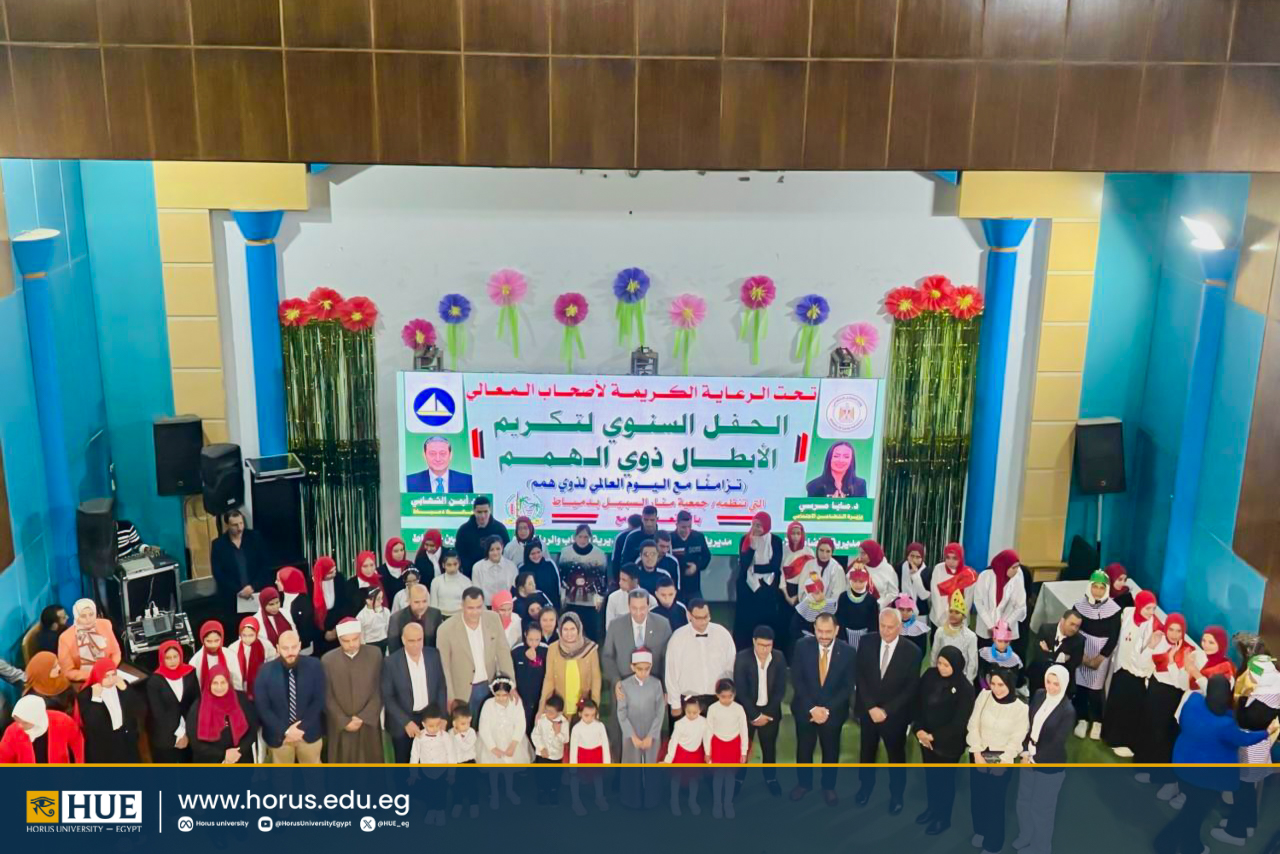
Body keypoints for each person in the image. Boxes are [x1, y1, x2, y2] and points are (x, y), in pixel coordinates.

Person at [1156, 676, 1278, 854]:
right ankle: (1177, 845)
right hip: (1207, 778)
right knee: (1195, 814)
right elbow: (1244, 739)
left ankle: (1183, 845)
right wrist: (1267, 731)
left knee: (1191, 809)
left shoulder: (1193, 701)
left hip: (1183, 765)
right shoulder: (1225, 725)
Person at [854, 608, 922, 812]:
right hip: (868, 713)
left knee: (896, 757)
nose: (885, 631)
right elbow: (860, 676)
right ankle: (865, 788)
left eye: (890, 627)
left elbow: (911, 688)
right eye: (882, 626)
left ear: (900, 627)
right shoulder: (866, 642)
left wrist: (886, 711)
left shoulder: (912, 652)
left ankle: (896, 795)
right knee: (867, 752)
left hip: (895, 717)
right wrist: (870, 707)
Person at [790, 612, 855, 805]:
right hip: (805, 710)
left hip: (833, 713)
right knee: (804, 749)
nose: (824, 636)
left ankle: (828, 787)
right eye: (820, 631)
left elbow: (847, 686)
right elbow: (797, 679)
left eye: (828, 632)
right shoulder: (802, 646)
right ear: (814, 629)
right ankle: (804, 784)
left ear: (837, 630)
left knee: (831, 751)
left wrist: (826, 710)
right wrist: (812, 708)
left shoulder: (848, 652)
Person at [1214, 665, 1280, 846]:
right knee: (1248, 789)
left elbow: (1244, 720)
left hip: (1250, 750)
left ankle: (1236, 832)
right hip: (1259, 750)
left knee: (1242, 791)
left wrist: (1242, 698)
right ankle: (1248, 823)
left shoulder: (1261, 703)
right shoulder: (1274, 695)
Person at [1012, 665, 1075, 854]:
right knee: (1023, 801)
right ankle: (1026, 835)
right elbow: (1028, 725)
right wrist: (1024, 750)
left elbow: (1057, 743)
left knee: (1041, 810)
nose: (1051, 687)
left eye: (1056, 684)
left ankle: (1041, 848)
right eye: (1049, 681)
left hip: (1048, 767)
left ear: (1064, 685)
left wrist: (1032, 760)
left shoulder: (1067, 711)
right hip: (1028, 756)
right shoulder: (1039, 695)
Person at [913, 646, 974, 835]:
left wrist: (933, 737)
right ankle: (932, 809)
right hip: (925, 740)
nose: (941, 668)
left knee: (945, 783)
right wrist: (919, 730)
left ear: (956, 665)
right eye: (940, 663)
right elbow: (918, 702)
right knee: (931, 778)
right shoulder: (930, 676)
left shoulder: (965, 689)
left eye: (946, 665)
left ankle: (943, 818)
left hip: (948, 745)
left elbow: (959, 722)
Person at [967, 668, 1027, 854]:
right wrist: (977, 753)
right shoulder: (984, 696)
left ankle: (993, 844)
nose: (996, 689)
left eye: (1001, 684)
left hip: (1001, 758)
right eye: (993, 684)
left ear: (1010, 684)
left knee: (994, 802)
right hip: (979, 753)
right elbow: (973, 724)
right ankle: (980, 830)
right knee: (977, 796)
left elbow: (1017, 739)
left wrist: (1003, 762)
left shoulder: (1021, 709)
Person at [1134, 613, 1201, 774]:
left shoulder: (1188, 652)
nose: (1174, 634)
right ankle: (1142, 764)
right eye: (1171, 629)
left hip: (1172, 696)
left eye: (1178, 631)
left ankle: (1156, 772)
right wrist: (1151, 645)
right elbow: (1141, 665)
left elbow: (1181, 683)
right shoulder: (1158, 641)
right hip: (1154, 690)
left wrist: (1171, 661)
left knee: (1162, 733)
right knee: (1148, 726)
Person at [436, 586, 515, 716]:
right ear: (462, 606)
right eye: (470, 608)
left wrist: (511, 684)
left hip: (489, 687)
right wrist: (450, 696)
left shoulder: (493, 619)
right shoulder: (445, 629)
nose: (475, 612)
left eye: (478, 607)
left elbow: (503, 653)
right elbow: (444, 666)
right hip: (462, 692)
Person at [1102, 590, 1160, 757]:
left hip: (1137, 674)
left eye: (1154, 608)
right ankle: (1110, 736)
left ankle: (1125, 741)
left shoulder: (1153, 626)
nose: (1151, 612)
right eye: (1148, 608)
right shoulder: (1127, 613)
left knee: (1130, 708)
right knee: (1116, 702)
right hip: (1121, 667)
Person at [254, 630, 324, 763]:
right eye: (285, 648)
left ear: (300, 645)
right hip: (279, 737)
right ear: (277, 648)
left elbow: (319, 700)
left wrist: (300, 729)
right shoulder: (264, 671)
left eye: (294, 647)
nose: (290, 652)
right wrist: (286, 731)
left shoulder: (315, 665)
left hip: (308, 733)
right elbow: (263, 707)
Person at [732, 625, 787, 797]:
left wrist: (766, 715)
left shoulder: (779, 658)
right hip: (747, 713)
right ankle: (738, 779)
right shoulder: (742, 658)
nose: (764, 649)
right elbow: (741, 690)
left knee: (769, 748)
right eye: (761, 645)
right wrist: (755, 715)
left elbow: (780, 689)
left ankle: (770, 778)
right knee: (743, 749)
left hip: (770, 714)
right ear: (754, 642)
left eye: (768, 645)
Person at [382, 621, 447, 764]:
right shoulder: (391, 662)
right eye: (411, 641)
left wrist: (442, 716)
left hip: (430, 718)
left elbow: (441, 686)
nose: (416, 645)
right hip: (402, 722)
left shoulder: (433, 655)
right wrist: (406, 722)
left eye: (419, 640)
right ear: (403, 640)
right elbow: (387, 697)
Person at [322, 617, 384, 762]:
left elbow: (380, 689)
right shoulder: (328, 660)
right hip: (341, 725)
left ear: (360, 636)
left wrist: (364, 717)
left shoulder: (375, 654)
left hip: (368, 723)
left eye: (355, 639)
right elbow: (327, 696)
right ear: (339, 640)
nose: (351, 644)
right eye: (346, 641)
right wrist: (343, 721)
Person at [1072, 569, 1122, 739]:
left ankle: (1097, 721)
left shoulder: (1114, 610)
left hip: (1101, 654)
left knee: (1095, 690)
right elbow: (1073, 629)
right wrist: (1082, 655)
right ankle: (1082, 719)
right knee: (1080, 687)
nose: (1098, 591)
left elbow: (1114, 637)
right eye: (1095, 587)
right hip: (1082, 650)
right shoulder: (1079, 606)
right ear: (1089, 587)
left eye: (1102, 588)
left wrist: (1099, 658)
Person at [667, 600, 736, 716]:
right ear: (689, 615)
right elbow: (671, 673)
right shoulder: (678, 638)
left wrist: (728, 695)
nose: (703, 622)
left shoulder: (722, 634)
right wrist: (675, 704)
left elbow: (731, 667)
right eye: (699, 618)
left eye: (706, 617)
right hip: (689, 699)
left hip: (717, 698)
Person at [618, 648, 666, 809]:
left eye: (647, 669)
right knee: (631, 765)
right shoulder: (625, 685)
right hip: (631, 732)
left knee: (652, 765)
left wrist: (651, 735)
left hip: (651, 731)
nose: (643, 673)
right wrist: (632, 736)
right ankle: (631, 800)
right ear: (632, 667)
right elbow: (622, 713)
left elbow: (660, 711)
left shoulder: (656, 684)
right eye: (640, 669)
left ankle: (652, 799)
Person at [210, 509, 273, 622]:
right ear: (227, 525)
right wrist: (239, 590)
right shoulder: (218, 545)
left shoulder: (255, 538)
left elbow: (264, 565)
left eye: (241, 523)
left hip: (256, 594)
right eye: (235, 525)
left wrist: (252, 586)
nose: (240, 528)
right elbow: (218, 574)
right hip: (232, 600)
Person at [478, 674, 531, 807]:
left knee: (509, 767)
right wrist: (492, 747)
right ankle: (494, 793)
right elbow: (483, 727)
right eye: (498, 695)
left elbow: (521, 724)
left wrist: (514, 744)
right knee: (493, 769)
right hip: (494, 741)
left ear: (509, 693)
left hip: (510, 740)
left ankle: (509, 790)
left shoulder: (516, 703)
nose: (501, 698)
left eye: (504, 695)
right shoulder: (488, 705)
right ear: (493, 693)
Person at [187, 666, 258, 764]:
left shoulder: (241, 699)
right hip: (211, 761)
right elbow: (195, 741)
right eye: (215, 683)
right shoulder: (198, 706)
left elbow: (253, 728)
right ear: (209, 684)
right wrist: (223, 755)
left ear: (229, 682)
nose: (219, 687)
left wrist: (239, 751)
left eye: (223, 682)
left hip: (241, 757)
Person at [734, 511, 784, 650]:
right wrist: (752, 547)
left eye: (759, 525)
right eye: (754, 525)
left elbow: (774, 565)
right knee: (747, 623)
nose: (756, 528)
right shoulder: (745, 540)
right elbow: (744, 564)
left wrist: (755, 568)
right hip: (748, 588)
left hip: (768, 587)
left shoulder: (775, 541)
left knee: (767, 621)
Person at [77, 659, 143, 763]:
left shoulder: (121, 685)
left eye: (113, 675)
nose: (111, 679)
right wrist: (96, 699)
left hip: (125, 739)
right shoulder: (86, 695)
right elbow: (91, 723)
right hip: (104, 745)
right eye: (106, 676)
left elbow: (138, 709)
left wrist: (126, 690)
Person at [541, 612, 601, 720]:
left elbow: (596, 679)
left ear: (579, 629)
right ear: (560, 631)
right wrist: (541, 709)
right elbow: (549, 679)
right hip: (560, 708)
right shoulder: (553, 649)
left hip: (583, 709)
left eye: (572, 629)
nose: (569, 633)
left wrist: (594, 708)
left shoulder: (590, 649)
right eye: (565, 629)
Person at [146, 639, 197, 763]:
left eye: (175, 656)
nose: (173, 661)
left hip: (191, 730)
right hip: (167, 737)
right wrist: (180, 734)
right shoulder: (154, 682)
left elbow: (196, 702)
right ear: (162, 659)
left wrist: (187, 731)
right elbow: (158, 713)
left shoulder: (190, 673)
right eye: (168, 658)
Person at [705, 677, 749, 817]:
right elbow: (708, 731)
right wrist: (707, 751)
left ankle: (728, 803)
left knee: (730, 776)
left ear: (734, 694)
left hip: (733, 745)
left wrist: (744, 751)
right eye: (723, 696)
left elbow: (744, 730)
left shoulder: (739, 709)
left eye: (730, 696)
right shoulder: (712, 709)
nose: (727, 700)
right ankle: (717, 804)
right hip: (718, 745)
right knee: (718, 776)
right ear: (717, 695)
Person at [559, 523, 608, 641]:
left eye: (586, 537)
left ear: (590, 538)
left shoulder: (599, 554)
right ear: (575, 537)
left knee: (592, 636)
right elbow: (561, 577)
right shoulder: (565, 553)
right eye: (580, 537)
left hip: (591, 605)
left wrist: (600, 597)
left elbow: (603, 579)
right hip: (571, 603)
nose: (583, 540)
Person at [0, 695, 83, 763]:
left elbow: (79, 749)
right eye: (17, 721)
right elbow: (3, 758)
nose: (20, 726)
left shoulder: (63, 722)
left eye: (25, 723)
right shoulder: (13, 731)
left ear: (36, 719)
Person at [408, 704, 456, 823]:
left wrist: (451, 773)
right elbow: (415, 755)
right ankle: (431, 809)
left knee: (441, 791)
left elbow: (451, 754)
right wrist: (413, 773)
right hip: (426, 771)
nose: (435, 728)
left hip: (442, 770)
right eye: (431, 726)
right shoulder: (419, 737)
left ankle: (440, 811)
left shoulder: (445, 737)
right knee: (429, 791)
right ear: (424, 724)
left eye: (437, 725)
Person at [58, 599, 121, 685]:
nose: (88, 619)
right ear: (77, 616)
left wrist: (109, 670)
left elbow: (116, 653)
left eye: (91, 614)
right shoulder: (65, 638)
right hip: (85, 681)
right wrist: (95, 676)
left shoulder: (105, 624)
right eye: (83, 616)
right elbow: (67, 671)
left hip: (110, 675)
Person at [793, 537, 843, 640]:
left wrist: (823, 604)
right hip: (809, 608)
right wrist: (813, 602)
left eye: (828, 551)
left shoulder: (837, 568)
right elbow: (802, 589)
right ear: (817, 550)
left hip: (828, 611)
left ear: (832, 552)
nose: (824, 554)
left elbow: (838, 593)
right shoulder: (809, 565)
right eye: (821, 550)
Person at [973, 549, 1027, 644]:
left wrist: (1005, 625)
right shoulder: (985, 576)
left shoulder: (1018, 574)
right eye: (1013, 568)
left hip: (1007, 628)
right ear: (1004, 566)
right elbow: (978, 602)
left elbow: (1020, 605)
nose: (1016, 570)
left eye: (1018, 566)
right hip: (986, 626)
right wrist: (990, 625)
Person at [1026, 608, 1085, 696]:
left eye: (1077, 626)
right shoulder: (1045, 629)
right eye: (1072, 624)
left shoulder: (1079, 640)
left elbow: (1074, 663)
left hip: (1060, 683)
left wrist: (1048, 653)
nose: (1074, 629)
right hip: (1039, 676)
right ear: (1062, 620)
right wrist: (1060, 658)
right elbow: (1038, 655)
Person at [665, 695, 707, 814]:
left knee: (694, 779)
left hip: (695, 755)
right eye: (688, 712)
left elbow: (706, 739)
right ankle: (674, 801)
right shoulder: (680, 724)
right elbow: (673, 741)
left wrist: (708, 754)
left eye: (695, 712)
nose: (691, 715)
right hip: (681, 754)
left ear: (700, 710)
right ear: (684, 710)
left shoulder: (704, 722)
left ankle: (692, 801)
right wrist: (668, 759)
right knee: (676, 778)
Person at [568, 700, 610, 815]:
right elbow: (573, 748)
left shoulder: (600, 726)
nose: (590, 718)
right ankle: (576, 801)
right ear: (580, 714)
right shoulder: (576, 728)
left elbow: (605, 744)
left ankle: (599, 797)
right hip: (582, 756)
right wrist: (573, 766)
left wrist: (607, 762)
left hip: (596, 755)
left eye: (593, 715)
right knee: (576, 778)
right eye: (586, 715)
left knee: (598, 777)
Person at [454, 496, 509, 576]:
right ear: (474, 511)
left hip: (497, 574)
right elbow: (460, 554)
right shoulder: (464, 531)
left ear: (490, 510)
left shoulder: (500, 529)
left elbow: (506, 552)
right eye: (479, 512)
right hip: (471, 574)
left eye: (485, 512)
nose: (483, 516)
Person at [931, 590, 979, 683]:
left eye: (957, 612)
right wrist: (934, 675)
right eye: (951, 611)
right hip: (942, 674)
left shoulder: (971, 636)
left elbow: (972, 662)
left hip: (961, 676)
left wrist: (968, 682)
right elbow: (934, 654)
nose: (953, 615)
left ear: (963, 616)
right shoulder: (940, 632)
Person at [531, 694, 569, 804]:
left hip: (556, 756)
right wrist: (541, 748)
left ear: (559, 712)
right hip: (542, 754)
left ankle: (553, 793)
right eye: (546, 710)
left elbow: (565, 740)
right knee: (541, 774)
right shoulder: (542, 720)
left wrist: (558, 733)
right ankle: (542, 792)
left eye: (551, 712)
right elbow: (535, 735)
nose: (547, 714)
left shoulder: (564, 723)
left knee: (555, 775)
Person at [929, 543, 977, 627]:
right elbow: (935, 594)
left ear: (961, 558)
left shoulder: (968, 574)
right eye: (947, 557)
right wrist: (942, 619)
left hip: (960, 620)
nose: (950, 561)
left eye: (955, 558)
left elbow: (968, 600)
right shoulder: (938, 569)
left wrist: (957, 618)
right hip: (938, 617)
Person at [388, 581, 445, 653]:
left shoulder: (435, 614)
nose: (421, 606)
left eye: (424, 601)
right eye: (417, 602)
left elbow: (439, 645)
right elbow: (394, 651)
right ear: (409, 600)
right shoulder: (396, 619)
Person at [226, 615, 275, 699]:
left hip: (261, 684)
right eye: (244, 635)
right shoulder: (233, 648)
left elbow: (272, 662)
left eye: (251, 635)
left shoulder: (266, 645)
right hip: (240, 685)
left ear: (257, 633)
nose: (247, 639)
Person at [406, 435, 473, 493]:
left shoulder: (468, 482)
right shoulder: (410, 482)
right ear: (424, 455)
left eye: (442, 453)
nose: (438, 459)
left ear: (450, 455)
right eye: (432, 453)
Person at [835, 565, 880, 652]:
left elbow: (873, 623)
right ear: (850, 581)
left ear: (866, 582)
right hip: (845, 637)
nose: (858, 584)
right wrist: (842, 638)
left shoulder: (871, 599)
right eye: (855, 581)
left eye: (861, 581)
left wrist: (870, 640)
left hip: (865, 637)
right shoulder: (843, 597)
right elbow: (840, 619)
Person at [310, 556, 349, 655]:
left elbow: (345, 604)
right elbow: (310, 615)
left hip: (338, 624)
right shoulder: (310, 585)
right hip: (321, 630)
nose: (334, 573)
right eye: (330, 572)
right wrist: (323, 634)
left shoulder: (339, 578)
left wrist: (337, 629)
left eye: (334, 570)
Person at [512, 623, 547, 733]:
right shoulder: (516, 651)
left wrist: (536, 659)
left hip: (539, 696)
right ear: (525, 635)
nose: (533, 643)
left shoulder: (546, 650)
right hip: (521, 696)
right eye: (530, 639)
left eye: (537, 640)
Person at [671, 510, 711, 602]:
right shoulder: (670, 539)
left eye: (689, 527)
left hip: (694, 587)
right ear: (677, 525)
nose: (687, 530)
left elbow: (706, 557)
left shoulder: (698, 537)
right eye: (683, 527)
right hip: (675, 586)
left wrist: (696, 567)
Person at [449, 703, 481, 817]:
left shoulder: (471, 733)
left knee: (471, 785)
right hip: (456, 763)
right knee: (457, 786)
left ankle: (474, 804)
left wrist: (458, 736)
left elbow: (466, 747)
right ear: (454, 723)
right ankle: (457, 804)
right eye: (463, 723)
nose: (466, 726)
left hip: (469, 762)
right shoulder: (450, 733)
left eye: (468, 723)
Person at [275, 566, 314, 650]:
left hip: (301, 648)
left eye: (278, 580)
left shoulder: (303, 604)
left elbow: (305, 633)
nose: (275, 582)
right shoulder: (279, 597)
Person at [472, 536, 517, 606]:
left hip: (506, 607)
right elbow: (476, 591)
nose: (495, 553)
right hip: (485, 607)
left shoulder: (511, 566)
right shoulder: (477, 567)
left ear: (502, 547)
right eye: (492, 550)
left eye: (498, 549)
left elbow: (514, 589)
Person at [977, 621, 1023, 690]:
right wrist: (985, 688)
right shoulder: (985, 653)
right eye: (1000, 641)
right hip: (987, 689)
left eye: (1006, 641)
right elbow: (981, 674)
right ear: (994, 639)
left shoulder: (1014, 659)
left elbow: (1014, 679)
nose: (1003, 645)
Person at [520, 538, 562, 612]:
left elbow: (557, 587)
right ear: (527, 554)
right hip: (531, 609)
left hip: (551, 607)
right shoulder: (522, 569)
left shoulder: (550, 564)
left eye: (538, 552)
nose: (536, 556)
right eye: (533, 553)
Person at [429, 547, 470, 618]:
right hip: (441, 617)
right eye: (449, 565)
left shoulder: (466, 581)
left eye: (455, 564)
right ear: (443, 565)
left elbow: (469, 603)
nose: (452, 568)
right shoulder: (436, 581)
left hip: (460, 616)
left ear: (459, 564)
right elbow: (433, 605)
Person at [619, 505, 661, 570]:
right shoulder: (632, 537)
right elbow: (625, 561)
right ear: (642, 519)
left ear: (657, 519)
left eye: (652, 520)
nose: (649, 524)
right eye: (646, 520)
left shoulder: (662, 536)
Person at [858, 540, 899, 608]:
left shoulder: (888, 569)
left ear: (872, 553)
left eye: (863, 553)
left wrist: (880, 604)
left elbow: (894, 593)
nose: (860, 556)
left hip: (880, 608)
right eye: (860, 553)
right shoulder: (857, 566)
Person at [781, 521, 813, 606]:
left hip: (804, 591)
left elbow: (811, 576)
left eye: (798, 533)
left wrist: (798, 595)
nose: (795, 536)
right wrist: (787, 596)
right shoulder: (783, 550)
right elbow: (781, 574)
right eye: (793, 533)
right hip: (785, 590)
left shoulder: (809, 552)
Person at [190, 620, 230, 686]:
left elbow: (236, 683)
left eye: (216, 641)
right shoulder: (195, 661)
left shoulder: (230, 655)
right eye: (209, 641)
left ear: (222, 639)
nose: (213, 645)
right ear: (203, 640)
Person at [377, 536, 415, 605]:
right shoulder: (380, 571)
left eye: (402, 550)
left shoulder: (409, 567)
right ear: (389, 552)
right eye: (396, 551)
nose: (400, 553)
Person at [899, 542, 931, 621]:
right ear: (907, 556)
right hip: (902, 610)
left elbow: (924, 595)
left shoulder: (927, 572)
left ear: (922, 558)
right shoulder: (900, 567)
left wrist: (915, 575)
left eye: (918, 557)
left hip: (920, 612)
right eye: (912, 556)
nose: (914, 560)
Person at [896, 594, 930, 659]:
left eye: (908, 610)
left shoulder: (919, 628)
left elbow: (922, 651)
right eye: (902, 610)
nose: (905, 613)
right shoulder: (893, 626)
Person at [611, 513, 643, 581]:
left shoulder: (620, 536)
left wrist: (616, 578)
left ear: (629, 524)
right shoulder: (622, 537)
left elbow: (615, 560)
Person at [358, 586, 390, 652]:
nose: (381, 601)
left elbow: (388, 628)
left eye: (381, 598)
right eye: (378, 599)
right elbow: (361, 636)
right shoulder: (361, 616)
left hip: (384, 641)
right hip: (370, 644)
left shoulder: (386, 611)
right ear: (368, 600)